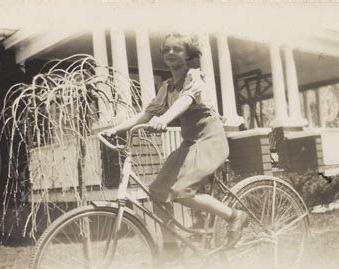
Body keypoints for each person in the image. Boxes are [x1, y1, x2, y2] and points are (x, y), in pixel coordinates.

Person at [103, 32, 247, 257]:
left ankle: (234, 215)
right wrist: (116, 129)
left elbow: (185, 102)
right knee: (158, 193)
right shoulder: (167, 87)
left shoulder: (194, 78)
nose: (171, 53)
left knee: (181, 192)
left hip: (210, 141)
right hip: (190, 144)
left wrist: (164, 119)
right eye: (167, 49)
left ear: (188, 54)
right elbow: (145, 115)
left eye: (177, 49)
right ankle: (171, 250)